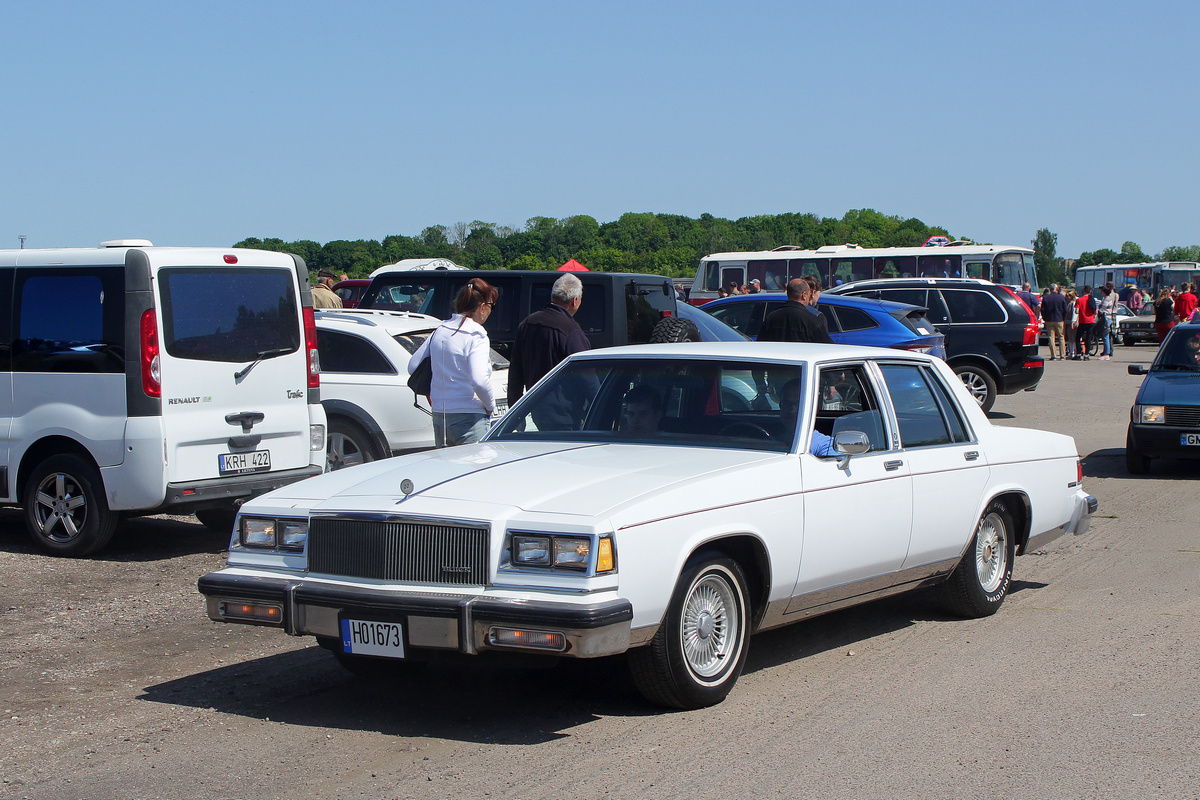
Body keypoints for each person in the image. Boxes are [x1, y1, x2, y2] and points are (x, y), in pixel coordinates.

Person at [407, 277, 498, 447]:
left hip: (440, 414)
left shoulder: (440, 330)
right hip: (470, 416)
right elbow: (479, 380)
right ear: (482, 307)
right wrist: (490, 406)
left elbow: (413, 366)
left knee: (448, 470)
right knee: (474, 470)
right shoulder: (476, 334)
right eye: (492, 306)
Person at [507, 273, 592, 430]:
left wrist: (515, 414)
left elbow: (515, 373)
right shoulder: (570, 330)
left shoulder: (527, 323)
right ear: (575, 301)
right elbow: (587, 377)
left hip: (537, 410)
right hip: (567, 415)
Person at [758, 279, 834, 344]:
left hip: (777, 360)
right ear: (804, 295)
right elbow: (827, 347)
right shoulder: (811, 320)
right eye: (808, 294)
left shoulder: (771, 318)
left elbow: (761, 345)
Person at [777, 379, 835, 456]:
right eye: (786, 404)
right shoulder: (771, 441)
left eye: (798, 404)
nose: (792, 410)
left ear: (815, 409)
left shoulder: (827, 446)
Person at [1041, 283, 1069, 361]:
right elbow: (1065, 309)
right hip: (1059, 319)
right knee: (1061, 337)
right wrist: (1063, 318)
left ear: (1050, 289)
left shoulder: (1046, 298)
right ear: (1056, 289)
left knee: (1051, 337)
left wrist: (1045, 318)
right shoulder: (1061, 297)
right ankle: (1062, 355)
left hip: (1049, 320)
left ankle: (1053, 355)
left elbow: (1042, 309)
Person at [1074, 286, 1096, 360]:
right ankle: (1086, 355)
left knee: (1078, 338)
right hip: (1091, 321)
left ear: (1083, 291)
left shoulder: (1079, 300)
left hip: (1083, 321)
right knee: (1088, 338)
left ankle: (1078, 354)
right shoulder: (1092, 300)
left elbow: (1076, 311)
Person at [1097, 285, 1117, 360]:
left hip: (1106, 318)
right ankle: (1106, 352)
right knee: (1106, 336)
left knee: (1105, 336)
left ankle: (1106, 354)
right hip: (1107, 318)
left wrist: (1098, 310)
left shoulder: (1107, 299)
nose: (1101, 292)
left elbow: (1102, 309)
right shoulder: (1106, 298)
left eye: (1102, 291)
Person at [1064, 289, 1078, 359]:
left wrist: (1073, 322)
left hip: (1072, 322)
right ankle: (1070, 351)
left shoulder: (1073, 303)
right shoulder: (1068, 303)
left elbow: (1074, 314)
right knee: (1069, 338)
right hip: (1068, 322)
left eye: (1069, 296)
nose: (1067, 297)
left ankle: (1072, 352)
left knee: (1072, 338)